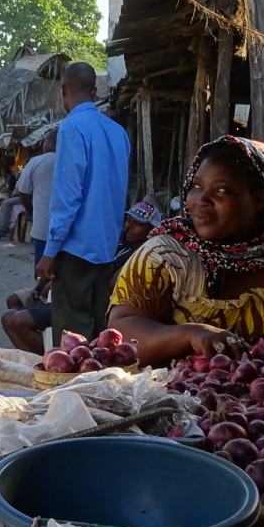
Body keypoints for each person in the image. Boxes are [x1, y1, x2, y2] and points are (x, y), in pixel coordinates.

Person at [109, 135, 264, 366]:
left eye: (222, 190)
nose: (201, 200)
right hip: (181, 404)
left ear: (261, 199)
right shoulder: (167, 256)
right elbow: (122, 329)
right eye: (196, 186)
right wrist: (191, 334)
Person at [36, 63, 130, 343]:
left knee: (72, 340)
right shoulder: (118, 132)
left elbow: (68, 196)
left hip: (76, 250)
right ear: (95, 90)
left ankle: (73, 387)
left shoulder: (71, 127)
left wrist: (50, 251)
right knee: (99, 334)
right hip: (106, 249)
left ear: (63, 91)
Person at [16, 129, 58, 272]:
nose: (43, 145)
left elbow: (23, 192)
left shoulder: (36, 162)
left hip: (43, 226)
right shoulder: (74, 161)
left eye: (45, 141)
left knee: (42, 272)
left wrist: (31, 211)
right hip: (69, 229)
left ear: (51, 143)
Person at [1, 279, 53, 355]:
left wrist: (52, 283)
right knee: (8, 316)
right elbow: (42, 277)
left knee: (19, 320)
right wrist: (37, 290)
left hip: (65, 296)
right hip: (49, 291)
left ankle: (47, 358)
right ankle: (33, 359)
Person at [113, 200, 162, 275]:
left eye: (137, 223)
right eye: (128, 220)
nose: (127, 227)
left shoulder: (142, 258)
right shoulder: (124, 245)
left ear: (151, 229)